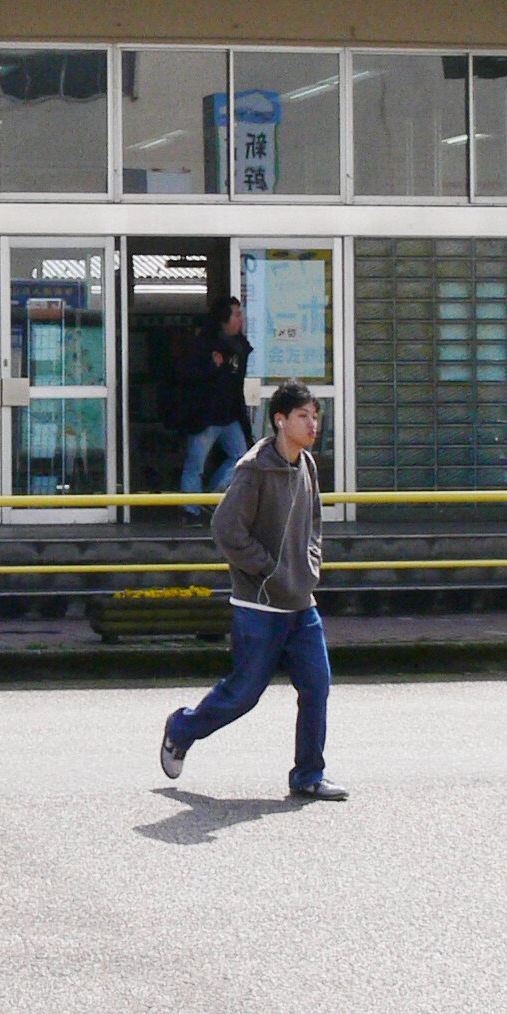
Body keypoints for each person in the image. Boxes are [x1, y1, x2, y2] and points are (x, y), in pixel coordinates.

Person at [160, 381, 345, 800]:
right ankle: (182, 728)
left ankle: (308, 775)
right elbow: (226, 530)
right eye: (303, 416)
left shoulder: (307, 464)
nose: (312, 424)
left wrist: (310, 564)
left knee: (316, 687)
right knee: (242, 695)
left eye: (315, 416)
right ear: (280, 420)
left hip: (301, 604)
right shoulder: (254, 469)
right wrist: (270, 570)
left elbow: (315, 522)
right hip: (260, 607)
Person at [174, 298, 254, 504]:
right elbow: (185, 377)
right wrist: (212, 367)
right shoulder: (202, 346)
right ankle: (191, 510)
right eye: (236, 314)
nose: (241, 319)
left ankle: (212, 496)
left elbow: (237, 387)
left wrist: (244, 421)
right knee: (195, 466)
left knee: (242, 459)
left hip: (229, 416)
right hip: (205, 417)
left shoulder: (240, 348)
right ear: (223, 319)